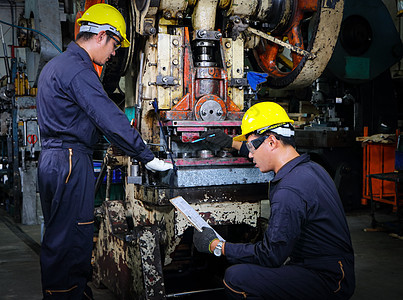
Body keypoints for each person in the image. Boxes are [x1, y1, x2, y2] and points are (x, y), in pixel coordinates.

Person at [36, 4, 172, 299]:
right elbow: (108, 117)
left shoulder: (55, 66)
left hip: (53, 159)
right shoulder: (78, 69)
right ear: (100, 35)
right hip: (70, 161)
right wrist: (146, 156)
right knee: (73, 238)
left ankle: (67, 292)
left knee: (59, 236)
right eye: (114, 44)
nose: (113, 53)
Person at [193, 102, 355, 299]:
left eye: (251, 146)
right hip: (334, 268)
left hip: (328, 279)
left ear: (271, 142)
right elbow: (259, 148)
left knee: (236, 277)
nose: (250, 154)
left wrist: (217, 246)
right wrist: (230, 142)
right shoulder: (310, 168)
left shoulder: (289, 190)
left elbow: (270, 256)